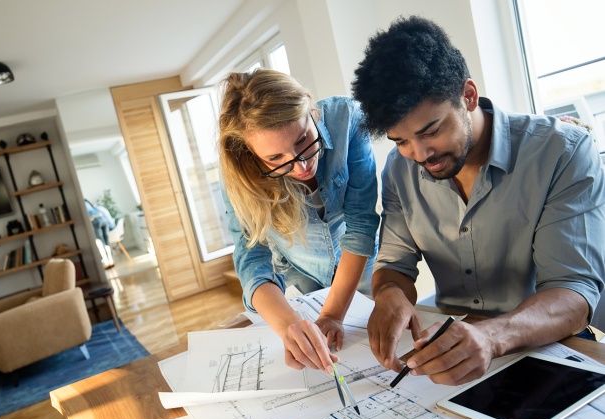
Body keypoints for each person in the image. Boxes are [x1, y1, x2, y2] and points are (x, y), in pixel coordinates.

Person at [351, 16, 605, 385]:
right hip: (457, 348)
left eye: (431, 130)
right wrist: (389, 292)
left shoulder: (561, 152)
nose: (420, 154)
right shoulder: (398, 170)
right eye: (400, 141)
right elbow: (395, 263)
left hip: (555, 346)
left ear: (468, 96)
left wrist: (491, 336)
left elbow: (574, 293)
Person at [219, 69, 379, 375]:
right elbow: (252, 257)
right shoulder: (238, 176)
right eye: (275, 159)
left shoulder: (348, 119)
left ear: (310, 108)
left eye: (304, 140)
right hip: (298, 271)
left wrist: (333, 313)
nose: (302, 164)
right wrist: (289, 324)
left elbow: (361, 224)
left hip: (360, 262)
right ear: (251, 156)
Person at [85, 199, 117, 268]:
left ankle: (106, 262)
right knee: (106, 242)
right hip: (103, 220)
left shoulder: (83, 205)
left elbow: (89, 216)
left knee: (100, 242)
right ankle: (111, 260)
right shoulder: (93, 205)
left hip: (95, 222)